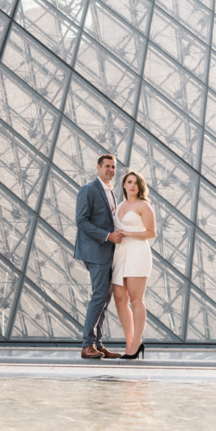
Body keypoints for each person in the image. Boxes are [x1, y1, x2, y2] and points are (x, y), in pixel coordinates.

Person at [75, 153, 125, 359]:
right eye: (107, 166)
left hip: (108, 252)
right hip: (96, 251)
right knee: (99, 296)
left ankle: (97, 344)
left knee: (105, 297)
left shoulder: (111, 191)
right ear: (98, 167)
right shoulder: (88, 189)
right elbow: (81, 221)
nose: (111, 170)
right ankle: (87, 345)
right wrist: (108, 236)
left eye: (113, 167)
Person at [110, 170, 156, 360]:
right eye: (129, 182)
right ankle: (130, 342)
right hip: (121, 254)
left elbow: (151, 232)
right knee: (120, 298)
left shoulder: (143, 205)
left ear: (140, 187)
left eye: (136, 183)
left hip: (138, 252)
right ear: (124, 185)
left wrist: (129, 233)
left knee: (136, 298)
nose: (132, 185)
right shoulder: (119, 205)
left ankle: (137, 342)